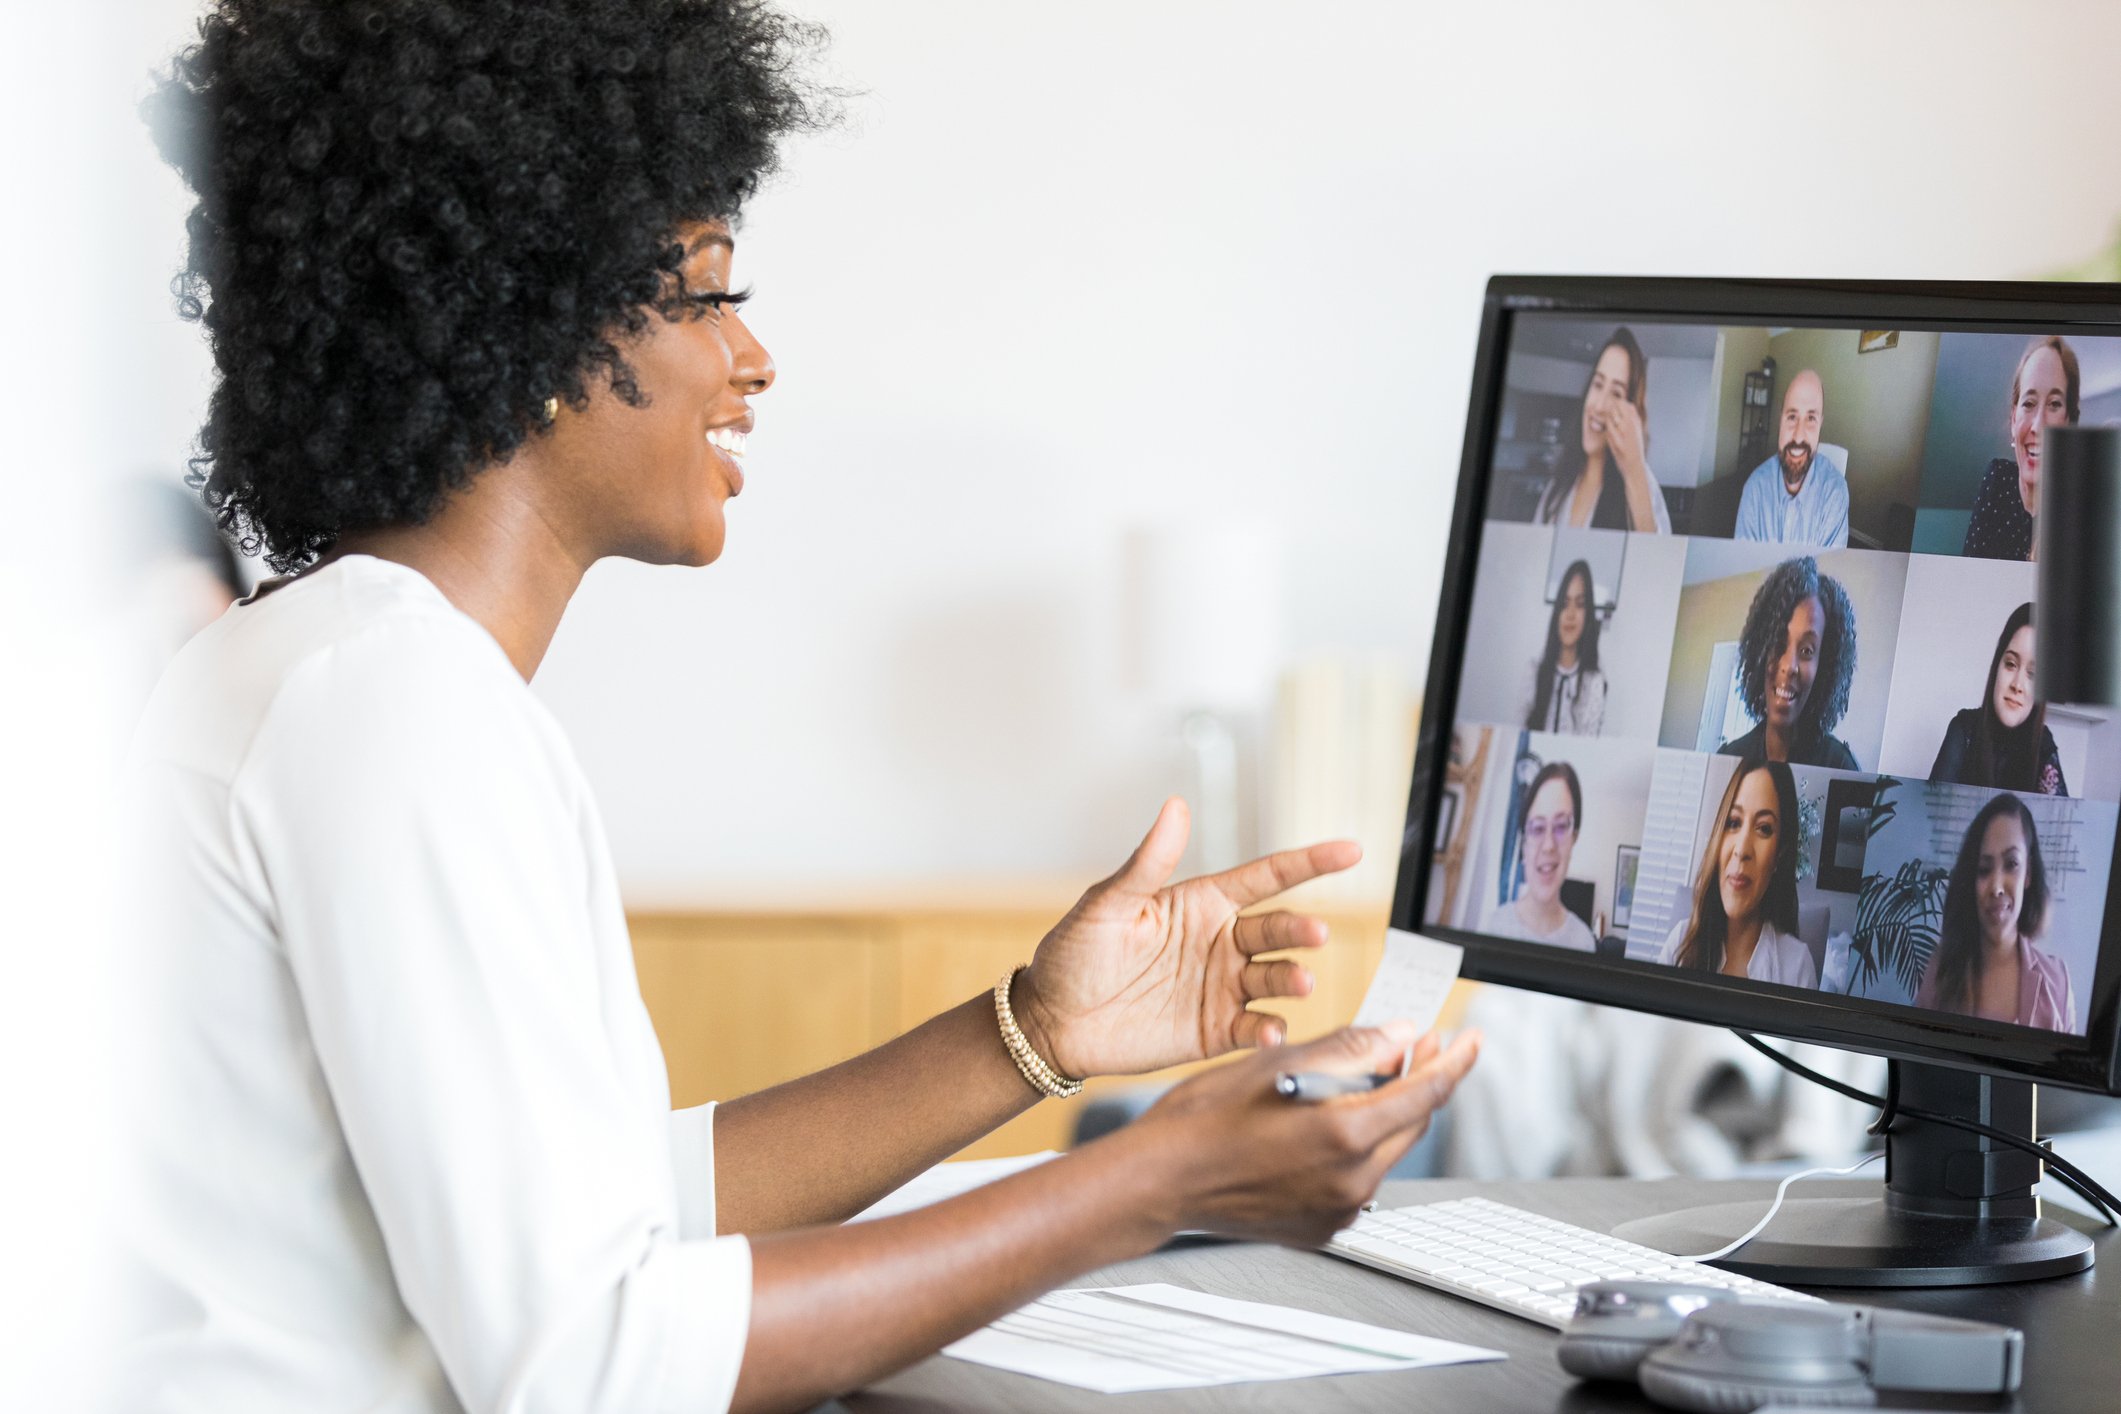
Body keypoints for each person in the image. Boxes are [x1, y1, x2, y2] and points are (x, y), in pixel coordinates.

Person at [123, 6, 1483, 1413]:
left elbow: (610, 1207)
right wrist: (1146, 1182)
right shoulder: (394, 713)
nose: (752, 359)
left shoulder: (347, 673)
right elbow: (595, 1359)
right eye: (708, 293)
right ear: (535, 322)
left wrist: (1033, 1030)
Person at [1915, 794, 2076, 1031]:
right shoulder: (1941, 970)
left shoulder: (2058, 980)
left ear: (2028, 873)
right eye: (1983, 869)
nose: (1997, 887)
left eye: (2011, 864)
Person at [1658, 760, 1815, 987]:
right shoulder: (1679, 943)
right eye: (1733, 822)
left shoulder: (1797, 966)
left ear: (1780, 853)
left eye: (1764, 828)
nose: (1741, 850)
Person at [1716, 556, 1860, 769]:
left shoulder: (1840, 768)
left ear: (1824, 665)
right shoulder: (1729, 758)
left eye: (1806, 650)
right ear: (1761, 650)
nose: (1789, 666)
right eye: (1778, 643)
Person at [1532, 327, 1674, 534]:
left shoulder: (1642, 485)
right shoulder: (1559, 485)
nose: (1598, 406)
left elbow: (1655, 560)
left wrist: (1634, 470)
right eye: (1597, 385)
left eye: (1616, 393)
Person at [1930, 602, 2068, 795]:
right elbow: (1931, 813)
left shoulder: (2043, 743)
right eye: (2011, 664)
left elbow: (2062, 821)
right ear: (1997, 666)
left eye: (2033, 674)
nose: (2017, 685)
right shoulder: (1963, 730)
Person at [1962, 335, 2079, 562]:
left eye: (2055, 404)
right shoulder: (1998, 478)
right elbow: (1970, 573)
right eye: (2029, 403)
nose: (2038, 426)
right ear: (2014, 420)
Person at [1477, 761, 1598, 951]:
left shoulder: (1584, 942)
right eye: (1538, 828)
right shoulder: (1493, 927)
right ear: (1524, 843)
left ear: (1574, 837)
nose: (1549, 845)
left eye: (1561, 826)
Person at [1732, 370, 1849, 548]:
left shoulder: (1835, 493)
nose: (1798, 436)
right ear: (1781, 420)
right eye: (1792, 417)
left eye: (1811, 418)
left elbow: (1827, 572)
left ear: (1820, 424)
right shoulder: (1754, 489)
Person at [1524, 559, 1607, 735]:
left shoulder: (1594, 683)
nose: (1570, 614)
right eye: (1564, 604)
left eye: (1579, 604)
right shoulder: (1533, 671)